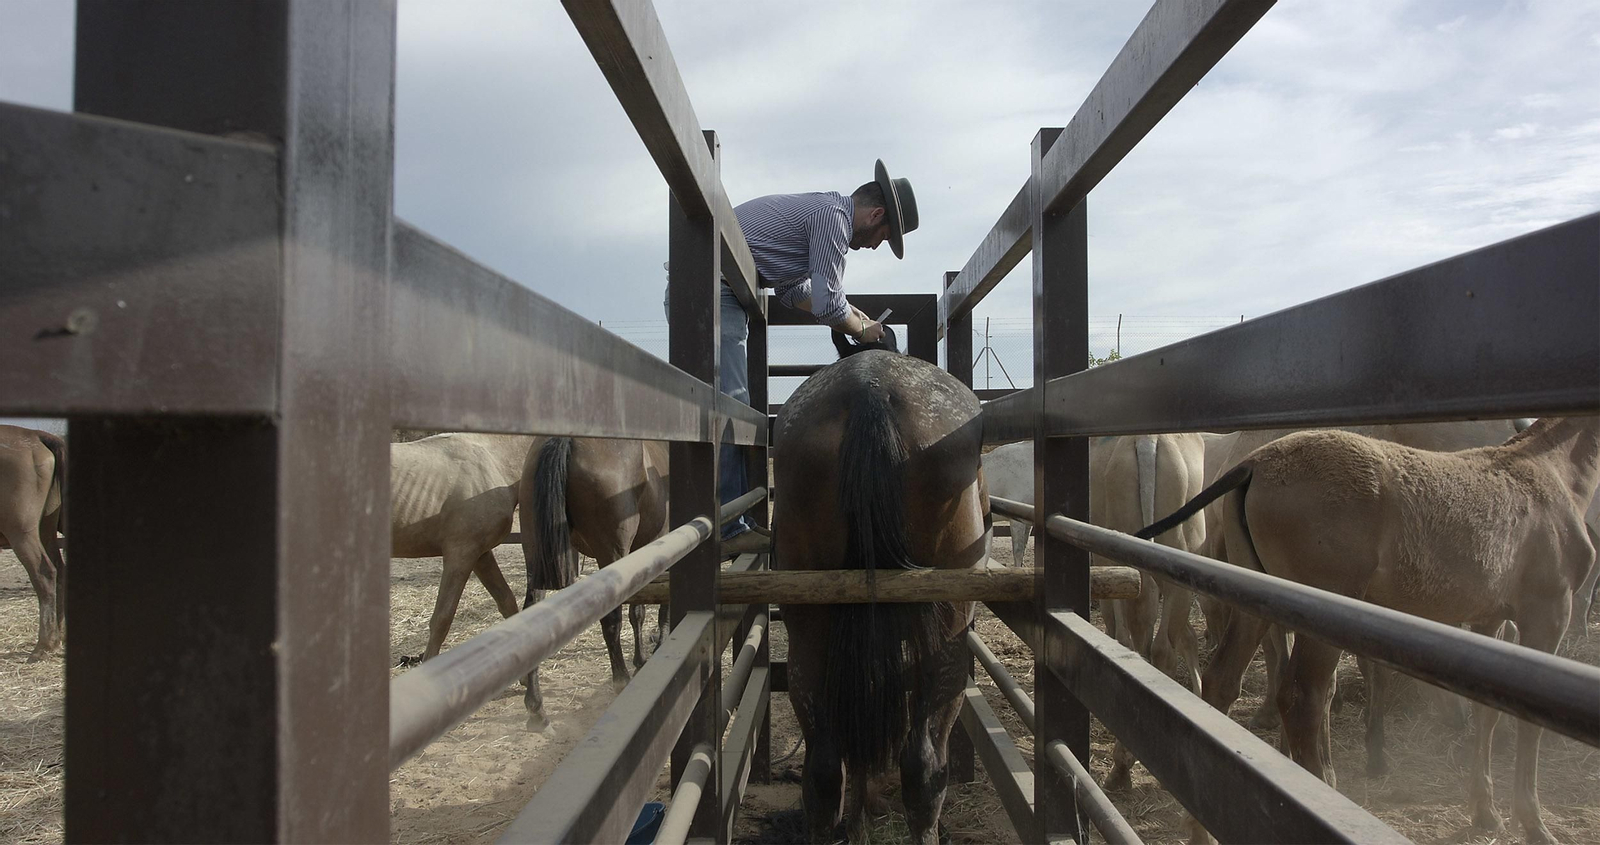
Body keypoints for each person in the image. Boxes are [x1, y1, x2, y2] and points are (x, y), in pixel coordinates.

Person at [665, 160, 919, 557]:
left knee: (730, 403)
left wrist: (851, 313)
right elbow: (828, 305)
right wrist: (861, 329)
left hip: (709, 285)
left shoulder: (821, 212)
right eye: (883, 237)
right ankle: (727, 528)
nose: (875, 246)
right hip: (711, 289)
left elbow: (792, 291)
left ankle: (731, 519)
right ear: (876, 215)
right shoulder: (833, 219)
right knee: (730, 401)